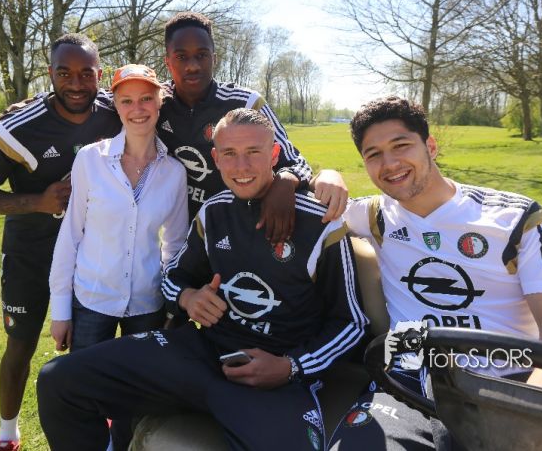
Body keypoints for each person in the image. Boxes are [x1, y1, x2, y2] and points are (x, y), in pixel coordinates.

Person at [37, 108, 369, 451]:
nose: (241, 167)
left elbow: (352, 324)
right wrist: (188, 298)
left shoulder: (322, 223)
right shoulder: (213, 211)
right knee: (58, 381)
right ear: (216, 158)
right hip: (202, 355)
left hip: (277, 377)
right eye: (230, 154)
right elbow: (173, 276)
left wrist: (290, 367)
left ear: (274, 154)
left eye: (253, 152)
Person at [327, 96, 542, 450]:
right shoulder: (374, 215)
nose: (389, 164)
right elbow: (309, 206)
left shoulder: (518, 219)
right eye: (373, 154)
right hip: (410, 383)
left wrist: (540, 403)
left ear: (431, 146)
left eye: (401, 145)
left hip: (509, 381)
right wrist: (327, 176)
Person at [0, 34, 122, 451]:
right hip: (30, 252)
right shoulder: (18, 125)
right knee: (21, 344)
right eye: (64, 73)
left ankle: (93, 425)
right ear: (50, 73)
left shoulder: (114, 111)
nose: (76, 84)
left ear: (99, 74)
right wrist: (38, 201)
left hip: (89, 251)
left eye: (86, 74)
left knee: (88, 346)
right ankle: (7, 433)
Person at [48, 64, 189, 449]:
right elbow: (71, 234)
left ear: (159, 103)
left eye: (146, 99)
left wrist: (173, 303)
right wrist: (60, 311)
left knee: (134, 397)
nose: (137, 109)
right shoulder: (90, 160)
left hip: (146, 303)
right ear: (115, 105)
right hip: (92, 298)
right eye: (127, 101)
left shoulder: (174, 172)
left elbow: (175, 245)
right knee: (82, 391)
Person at [157, 12, 347, 241]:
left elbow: (294, 161)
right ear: (167, 61)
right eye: (181, 57)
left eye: (202, 55)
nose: (192, 66)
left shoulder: (246, 102)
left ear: (214, 59)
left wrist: (285, 183)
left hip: (246, 231)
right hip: (184, 236)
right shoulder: (154, 103)